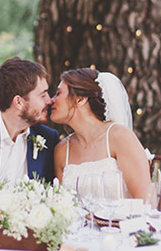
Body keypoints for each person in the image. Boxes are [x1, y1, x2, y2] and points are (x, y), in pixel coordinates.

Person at [50, 68, 151, 200]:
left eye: (58, 93)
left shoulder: (119, 137)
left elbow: (146, 200)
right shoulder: (62, 150)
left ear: (80, 99)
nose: (51, 100)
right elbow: (60, 205)